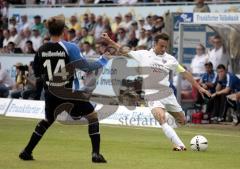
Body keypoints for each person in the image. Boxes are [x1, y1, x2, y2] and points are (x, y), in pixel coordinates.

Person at [19, 15, 110, 163]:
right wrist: (104, 59)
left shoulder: (42, 49)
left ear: (49, 30)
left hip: (50, 93)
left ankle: (26, 151)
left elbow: (37, 74)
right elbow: (86, 67)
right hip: (68, 92)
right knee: (93, 117)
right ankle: (95, 154)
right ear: (63, 30)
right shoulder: (69, 47)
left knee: (47, 120)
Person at [101, 32, 211, 151]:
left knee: (182, 121)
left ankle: (169, 125)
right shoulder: (143, 55)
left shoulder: (170, 59)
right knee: (161, 118)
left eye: (165, 46)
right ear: (155, 44)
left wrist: (199, 87)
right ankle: (179, 144)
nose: (164, 49)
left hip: (167, 94)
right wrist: (109, 41)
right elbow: (124, 50)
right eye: (161, 46)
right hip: (152, 94)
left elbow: (184, 73)